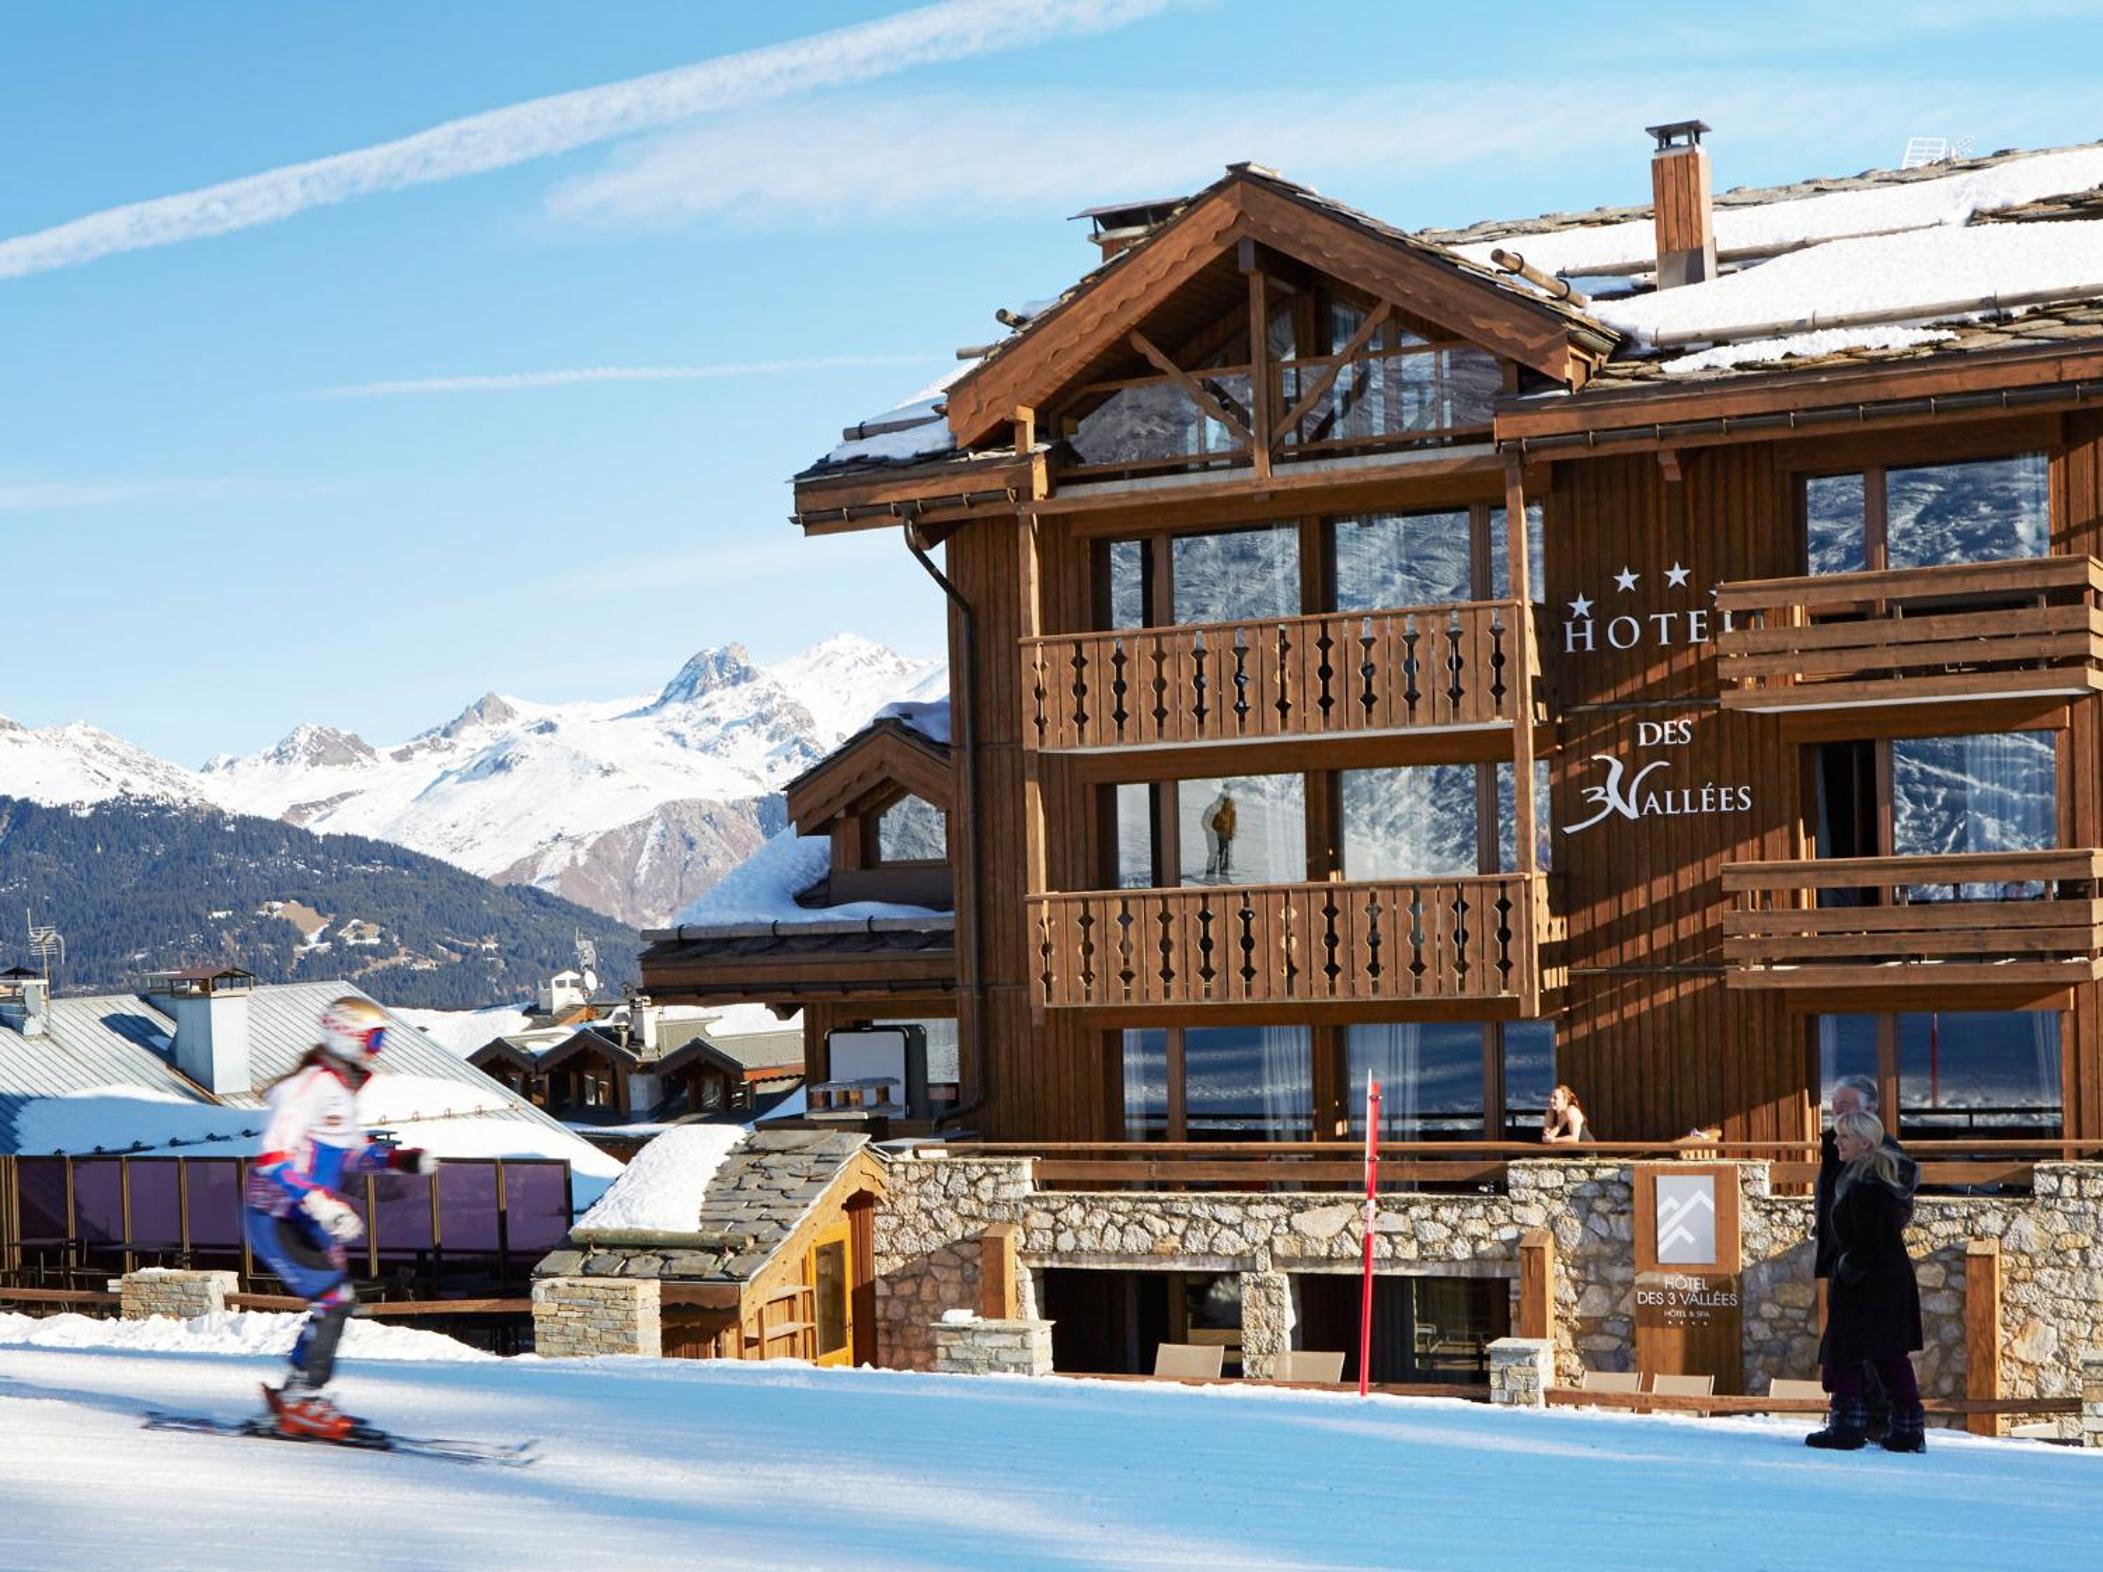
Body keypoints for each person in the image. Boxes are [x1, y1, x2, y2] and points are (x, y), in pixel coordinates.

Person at [243, 995, 436, 1440]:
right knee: (334, 1299)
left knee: (335, 1300)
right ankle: (302, 1400)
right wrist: (321, 1204)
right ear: (348, 1036)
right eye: (375, 1038)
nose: (378, 1049)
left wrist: (401, 1160)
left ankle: (299, 1392)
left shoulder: (340, 1089)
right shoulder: (308, 1087)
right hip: (277, 1213)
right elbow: (274, 1157)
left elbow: (350, 1153)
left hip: (307, 1217)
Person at [1807, 1109, 1927, 1453]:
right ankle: (1906, 1430)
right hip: (1884, 1281)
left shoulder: (1868, 1185)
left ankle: (1847, 1426)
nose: (1835, 1141)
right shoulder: (1868, 1176)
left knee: (1844, 1352)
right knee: (1887, 1353)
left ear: (1864, 1142)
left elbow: (1871, 1240)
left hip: (1870, 1284)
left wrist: (1849, 1267)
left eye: (1844, 1136)